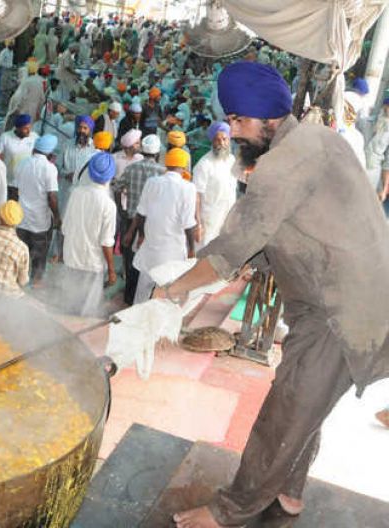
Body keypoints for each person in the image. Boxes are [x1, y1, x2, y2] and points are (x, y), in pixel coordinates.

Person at [166, 62, 389, 528]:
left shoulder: (283, 164)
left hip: (340, 310)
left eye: (240, 121)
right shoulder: (320, 139)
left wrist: (173, 289)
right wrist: (260, 261)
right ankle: (288, 492)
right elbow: (304, 224)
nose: (234, 131)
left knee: (287, 409)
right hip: (348, 292)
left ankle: (230, 510)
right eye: (230, 120)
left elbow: (233, 245)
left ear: (269, 118)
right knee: (308, 402)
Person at [131, 147, 197, 304]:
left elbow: (141, 213)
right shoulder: (188, 188)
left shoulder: (152, 182)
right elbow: (188, 224)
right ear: (184, 167)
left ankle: (135, 320)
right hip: (171, 251)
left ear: (166, 164)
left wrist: (141, 236)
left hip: (151, 246)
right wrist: (192, 250)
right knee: (168, 292)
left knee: (143, 289)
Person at [60, 152, 117, 316]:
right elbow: (106, 243)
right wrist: (112, 270)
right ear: (110, 176)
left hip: (71, 257)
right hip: (92, 264)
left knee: (69, 304)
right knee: (86, 311)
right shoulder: (108, 205)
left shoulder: (76, 193)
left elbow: (65, 228)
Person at [15, 134, 60, 285]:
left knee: (21, 255)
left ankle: (17, 283)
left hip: (21, 219)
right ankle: (36, 284)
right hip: (40, 222)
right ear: (50, 153)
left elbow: (16, 190)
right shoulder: (50, 169)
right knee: (39, 258)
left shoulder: (22, 163)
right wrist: (57, 217)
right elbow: (52, 197)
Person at [193, 122, 237, 249]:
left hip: (227, 219)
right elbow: (196, 196)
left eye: (225, 139)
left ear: (229, 140)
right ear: (212, 141)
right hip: (208, 221)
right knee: (204, 256)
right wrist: (198, 224)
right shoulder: (204, 165)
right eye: (217, 140)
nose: (222, 143)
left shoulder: (232, 160)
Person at [0, 114, 38, 199]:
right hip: (9, 182)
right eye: (25, 128)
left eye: (29, 127)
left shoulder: (34, 137)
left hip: (27, 182)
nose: (28, 131)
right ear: (17, 128)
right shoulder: (5, 137)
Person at [0, 40, 15, 106]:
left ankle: (6, 103)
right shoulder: (3, 52)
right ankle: (0, 104)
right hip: (4, 71)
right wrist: (7, 66)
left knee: (9, 88)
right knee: (3, 88)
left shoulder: (12, 52)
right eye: (11, 44)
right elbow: (0, 63)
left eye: (12, 44)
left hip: (10, 71)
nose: (12, 45)